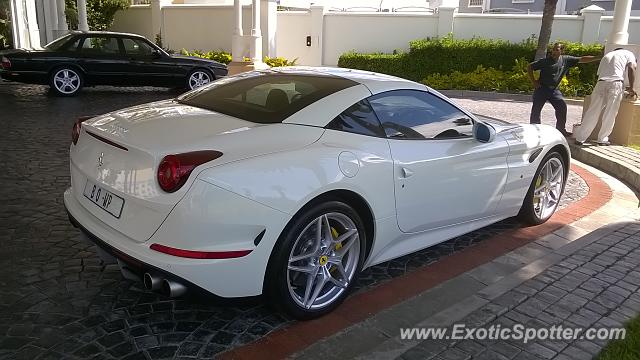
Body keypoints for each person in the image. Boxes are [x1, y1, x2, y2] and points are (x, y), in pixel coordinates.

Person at [528, 43, 601, 136]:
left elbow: (582, 59)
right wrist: (534, 81)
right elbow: (530, 67)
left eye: (557, 50)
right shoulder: (545, 61)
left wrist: (598, 57)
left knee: (562, 107)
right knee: (536, 110)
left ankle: (561, 129)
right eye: (553, 49)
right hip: (542, 89)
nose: (554, 51)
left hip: (554, 91)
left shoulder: (566, 60)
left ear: (562, 51)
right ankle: (535, 130)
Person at [574, 48, 637, 146]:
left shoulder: (608, 55)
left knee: (592, 111)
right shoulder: (629, 53)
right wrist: (632, 88)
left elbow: (604, 74)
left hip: (601, 83)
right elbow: (632, 68)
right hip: (615, 83)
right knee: (610, 113)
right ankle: (602, 139)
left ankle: (580, 138)